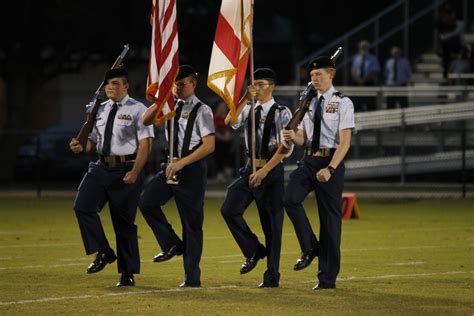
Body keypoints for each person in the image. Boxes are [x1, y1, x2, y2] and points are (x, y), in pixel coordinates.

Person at [69, 68, 154, 287]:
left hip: (125, 167)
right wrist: (81, 146)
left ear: (125, 86)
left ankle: (127, 274)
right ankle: (104, 251)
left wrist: (135, 171)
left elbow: (146, 144)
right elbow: (94, 141)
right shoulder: (100, 109)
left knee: (123, 223)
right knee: (82, 207)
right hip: (100, 167)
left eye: (115, 83)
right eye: (108, 83)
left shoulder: (138, 110)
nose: (110, 87)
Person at [139, 65, 215, 288]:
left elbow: (209, 145)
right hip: (169, 165)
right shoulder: (168, 105)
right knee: (147, 203)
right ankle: (172, 244)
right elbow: (145, 120)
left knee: (191, 224)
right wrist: (161, 98)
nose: (178, 88)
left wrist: (183, 162)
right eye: (175, 84)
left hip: (190, 169)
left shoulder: (203, 110)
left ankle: (192, 277)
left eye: (182, 84)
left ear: (193, 83)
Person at [282, 56, 354, 290]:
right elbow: (305, 138)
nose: (314, 79)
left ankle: (327, 279)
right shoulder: (309, 102)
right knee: (290, 199)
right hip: (310, 159)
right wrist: (294, 137)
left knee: (330, 221)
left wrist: (331, 168)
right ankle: (310, 246)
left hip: (330, 161)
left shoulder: (343, 103)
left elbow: (344, 142)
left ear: (331, 74)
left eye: (319, 75)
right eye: (312, 76)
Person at [220, 68, 292, 288]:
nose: (257, 88)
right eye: (255, 84)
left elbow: (285, 147)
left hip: (271, 170)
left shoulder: (282, 112)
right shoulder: (249, 108)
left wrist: (264, 171)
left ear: (272, 86)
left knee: (271, 225)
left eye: (261, 84)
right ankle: (253, 250)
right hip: (249, 168)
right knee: (229, 208)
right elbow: (228, 120)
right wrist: (244, 97)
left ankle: (272, 276)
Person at [436, 2, 464, 80]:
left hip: (456, 46)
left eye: (450, 14)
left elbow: (458, 30)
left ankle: (450, 75)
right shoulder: (442, 23)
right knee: (446, 55)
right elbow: (441, 36)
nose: (448, 16)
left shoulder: (458, 22)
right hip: (447, 48)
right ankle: (446, 75)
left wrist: (447, 36)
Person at [351, 40, 381, 111]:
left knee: (370, 103)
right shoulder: (356, 58)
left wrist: (364, 80)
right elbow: (353, 70)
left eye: (365, 47)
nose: (363, 49)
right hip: (357, 83)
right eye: (362, 47)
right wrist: (358, 80)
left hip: (369, 83)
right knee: (358, 103)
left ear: (368, 48)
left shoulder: (373, 58)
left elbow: (375, 71)